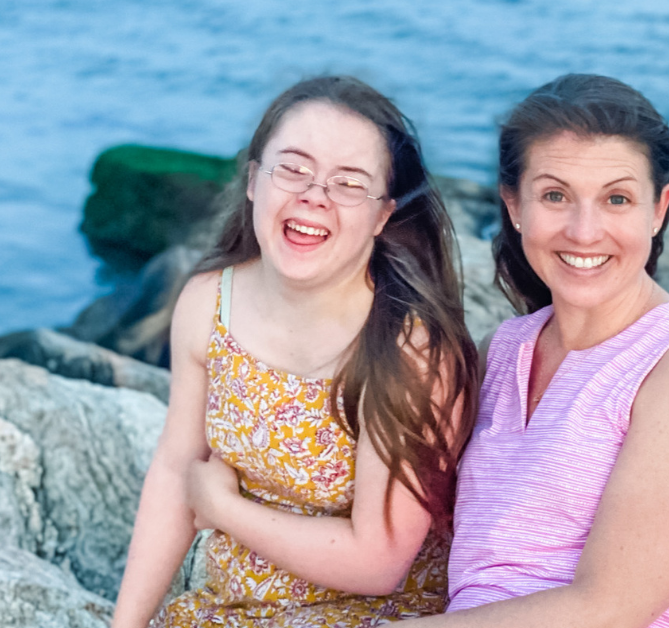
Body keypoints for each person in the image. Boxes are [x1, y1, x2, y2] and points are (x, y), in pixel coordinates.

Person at [111, 76, 478, 628]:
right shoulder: (210, 301)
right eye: (294, 168)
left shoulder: (408, 346)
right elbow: (174, 469)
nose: (314, 195)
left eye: (348, 183)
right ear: (255, 178)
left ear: (383, 215)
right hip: (230, 611)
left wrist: (224, 510)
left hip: (371, 617)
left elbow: (377, 562)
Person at [402, 74, 669, 628]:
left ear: (658, 209)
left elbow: (608, 608)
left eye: (617, 199)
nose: (584, 230)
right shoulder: (502, 352)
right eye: (555, 195)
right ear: (513, 204)